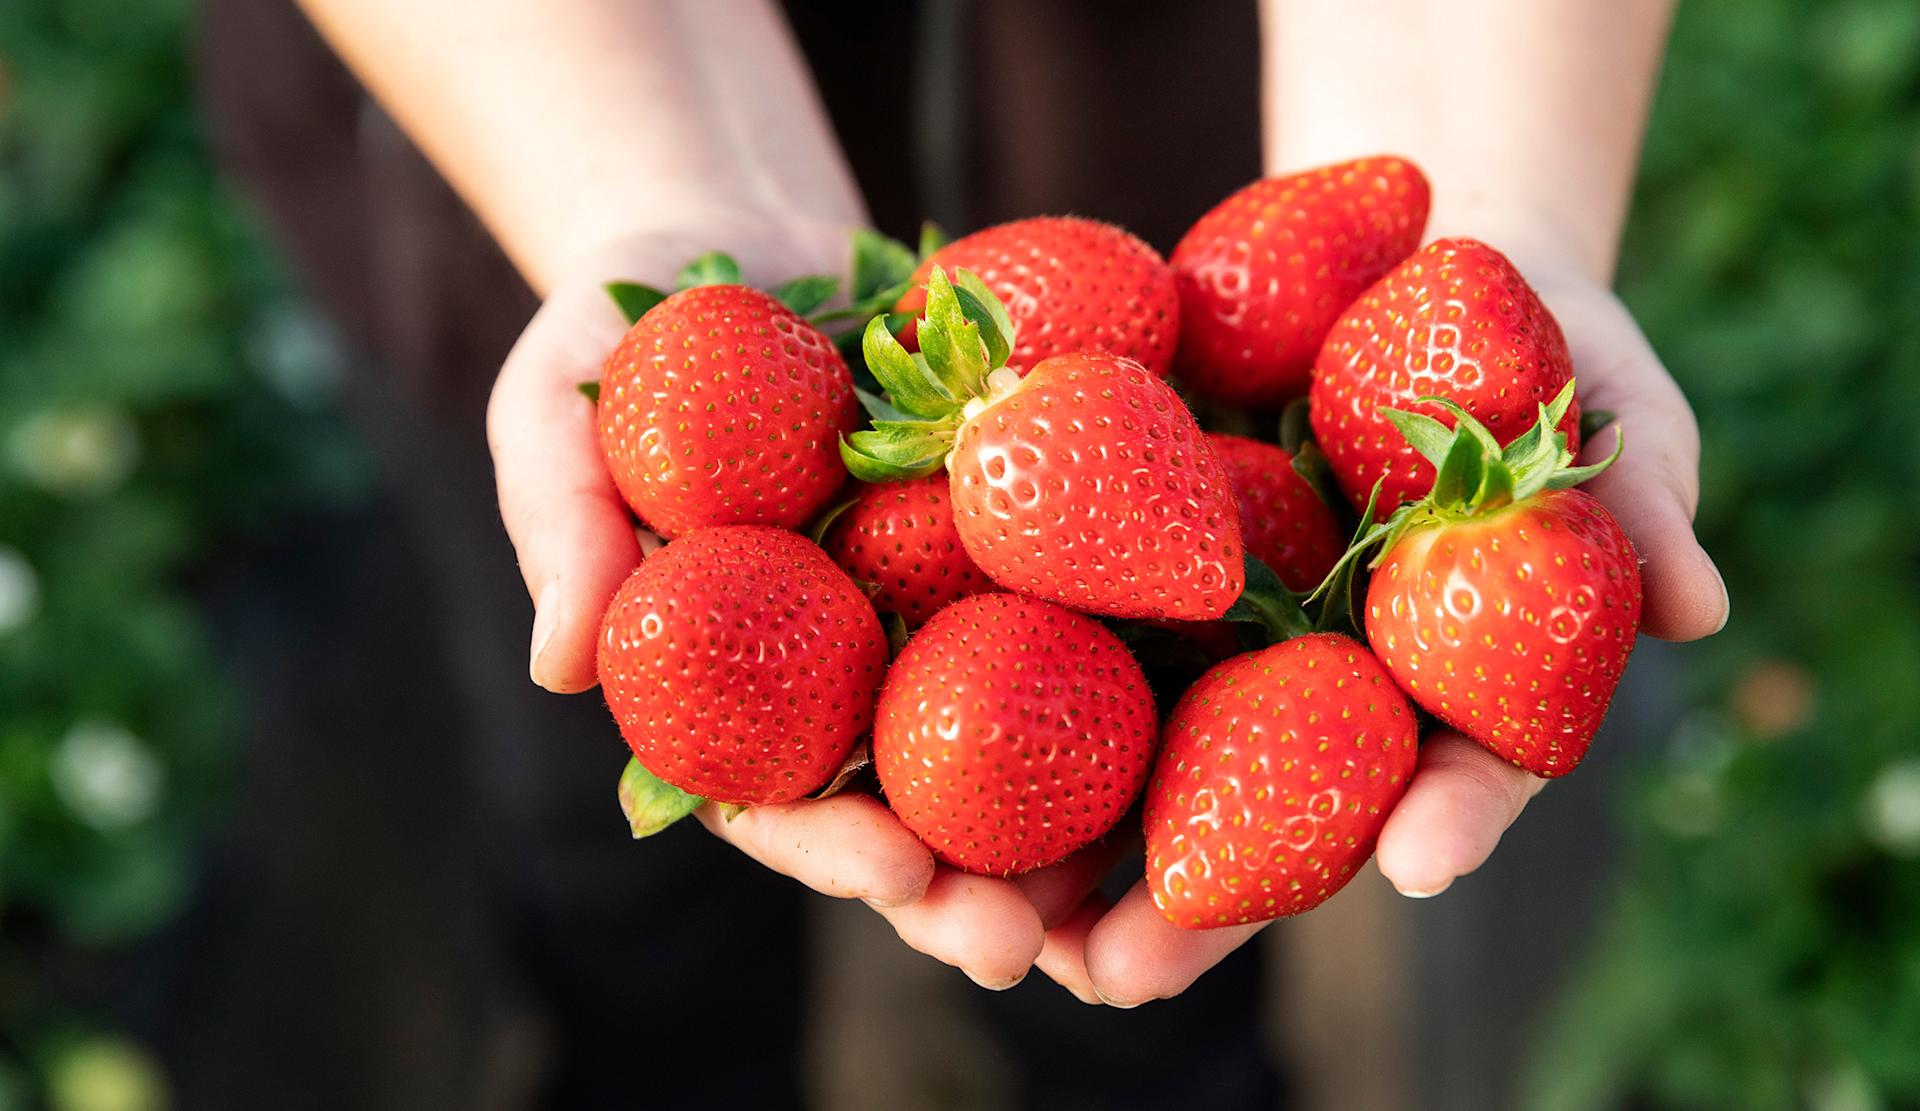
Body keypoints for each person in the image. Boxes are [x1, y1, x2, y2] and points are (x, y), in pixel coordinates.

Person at [201, 0, 1726, 1104]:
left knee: (1136, 960)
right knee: (603, 761)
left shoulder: (1154, 453)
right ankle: (659, 1055)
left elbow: (1200, 441)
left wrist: (1477, 179)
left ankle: (1146, 1079)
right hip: (542, 69)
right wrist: (656, 193)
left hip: (1191, 108)